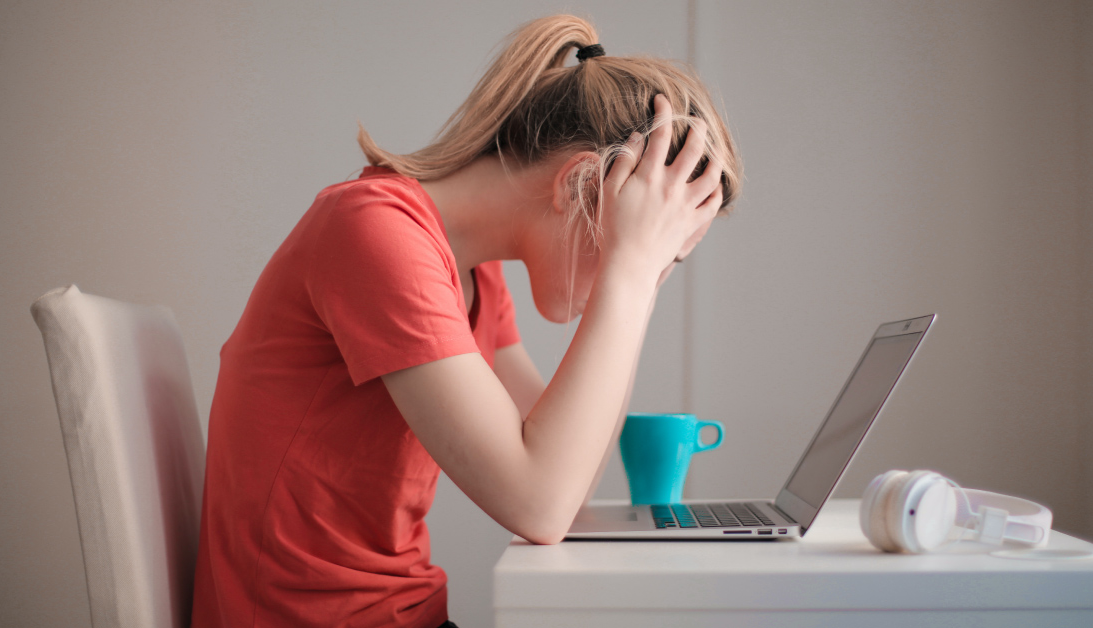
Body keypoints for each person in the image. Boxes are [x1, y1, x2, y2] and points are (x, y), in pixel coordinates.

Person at [191, 14, 741, 628]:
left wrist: (637, 281)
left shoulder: (474, 277)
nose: (651, 268)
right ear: (581, 184)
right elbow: (542, 502)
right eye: (655, 243)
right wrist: (630, 274)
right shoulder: (374, 233)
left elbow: (570, 476)